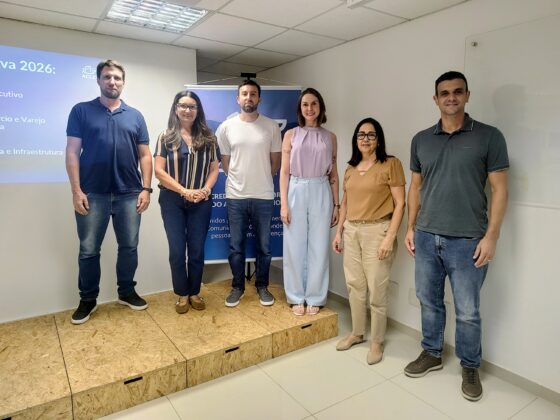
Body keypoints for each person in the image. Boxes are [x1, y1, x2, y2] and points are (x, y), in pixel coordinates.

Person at [404, 71, 509, 401]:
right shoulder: (421, 139)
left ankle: (470, 366)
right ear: (435, 99)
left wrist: (491, 237)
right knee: (429, 300)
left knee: (467, 311)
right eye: (445, 93)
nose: (451, 97)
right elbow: (415, 187)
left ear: (467, 95)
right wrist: (410, 227)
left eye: (457, 92)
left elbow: (500, 189)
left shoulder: (489, 137)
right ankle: (432, 352)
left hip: (468, 241)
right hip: (426, 236)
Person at [66, 59, 152, 325]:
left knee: (129, 247)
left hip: (129, 193)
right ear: (98, 80)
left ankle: (126, 292)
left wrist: (146, 189)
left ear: (123, 82)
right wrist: (76, 190)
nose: (112, 82)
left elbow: (145, 155)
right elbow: (72, 152)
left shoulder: (135, 116)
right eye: (107, 77)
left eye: (117, 78)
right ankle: (87, 300)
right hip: (92, 193)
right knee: (89, 250)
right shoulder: (81, 111)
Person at [332, 117, 405, 364]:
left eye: (371, 135)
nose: (365, 139)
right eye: (361, 135)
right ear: (356, 139)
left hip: (378, 231)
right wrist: (339, 232)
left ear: (378, 140)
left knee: (376, 289)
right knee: (355, 286)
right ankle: (357, 333)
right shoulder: (350, 168)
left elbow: (400, 204)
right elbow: (345, 203)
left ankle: (377, 341)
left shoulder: (390, 164)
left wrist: (389, 238)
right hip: (352, 230)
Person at [216, 80, 282, 307]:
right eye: (244, 94)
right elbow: (225, 163)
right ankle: (237, 287)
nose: (248, 97)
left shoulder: (271, 126)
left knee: (264, 247)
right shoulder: (226, 127)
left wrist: (260, 178)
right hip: (236, 196)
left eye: (253, 94)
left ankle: (262, 286)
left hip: (264, 195)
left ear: (259, 99)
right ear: (238, 98)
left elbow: (275, 163)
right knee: (236, 246)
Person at [154, 91, 219, 314]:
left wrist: (205, 190)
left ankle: (194, 292)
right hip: (172, 199)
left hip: (201, 200)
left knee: (197, 249)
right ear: (176, 108)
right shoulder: (165, 137)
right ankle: (182, 293)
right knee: (177, 249)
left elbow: (214, 169)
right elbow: (159, 171)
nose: (187, 110)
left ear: (198, 110)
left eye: (192, 106)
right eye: (183, 106)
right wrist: (183, 191)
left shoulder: (209, 138)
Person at [280, 88, 339, 316]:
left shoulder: (330, 137)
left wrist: (336, 204)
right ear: (300, 108)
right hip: (296, 187)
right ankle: (296, 296)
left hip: (321, 188)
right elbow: (284, 172)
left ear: (320, 107)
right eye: (305, 104)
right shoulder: (290, 135)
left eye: (314, 103)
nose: (310, 108)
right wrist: (284, 204)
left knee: (319, 245)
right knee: (294, 245)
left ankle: (315, 296)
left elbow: (334, 174)